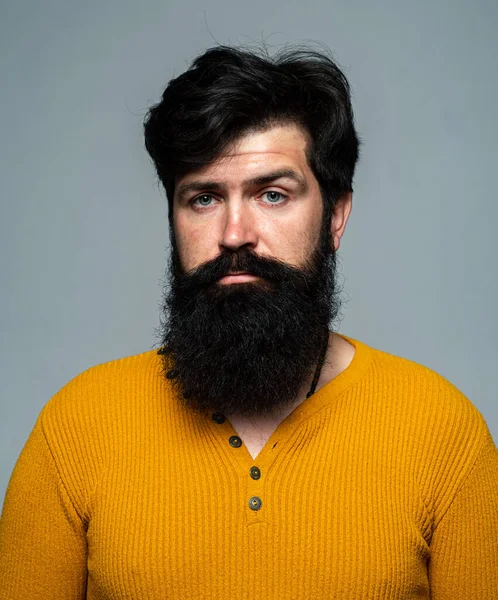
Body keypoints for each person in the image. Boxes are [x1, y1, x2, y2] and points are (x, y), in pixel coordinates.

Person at [1, 44, 497, 600]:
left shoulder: (445, 436)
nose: (235, 233)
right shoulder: (75, 430)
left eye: (273, 195)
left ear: (334, 216)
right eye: (204, 198)